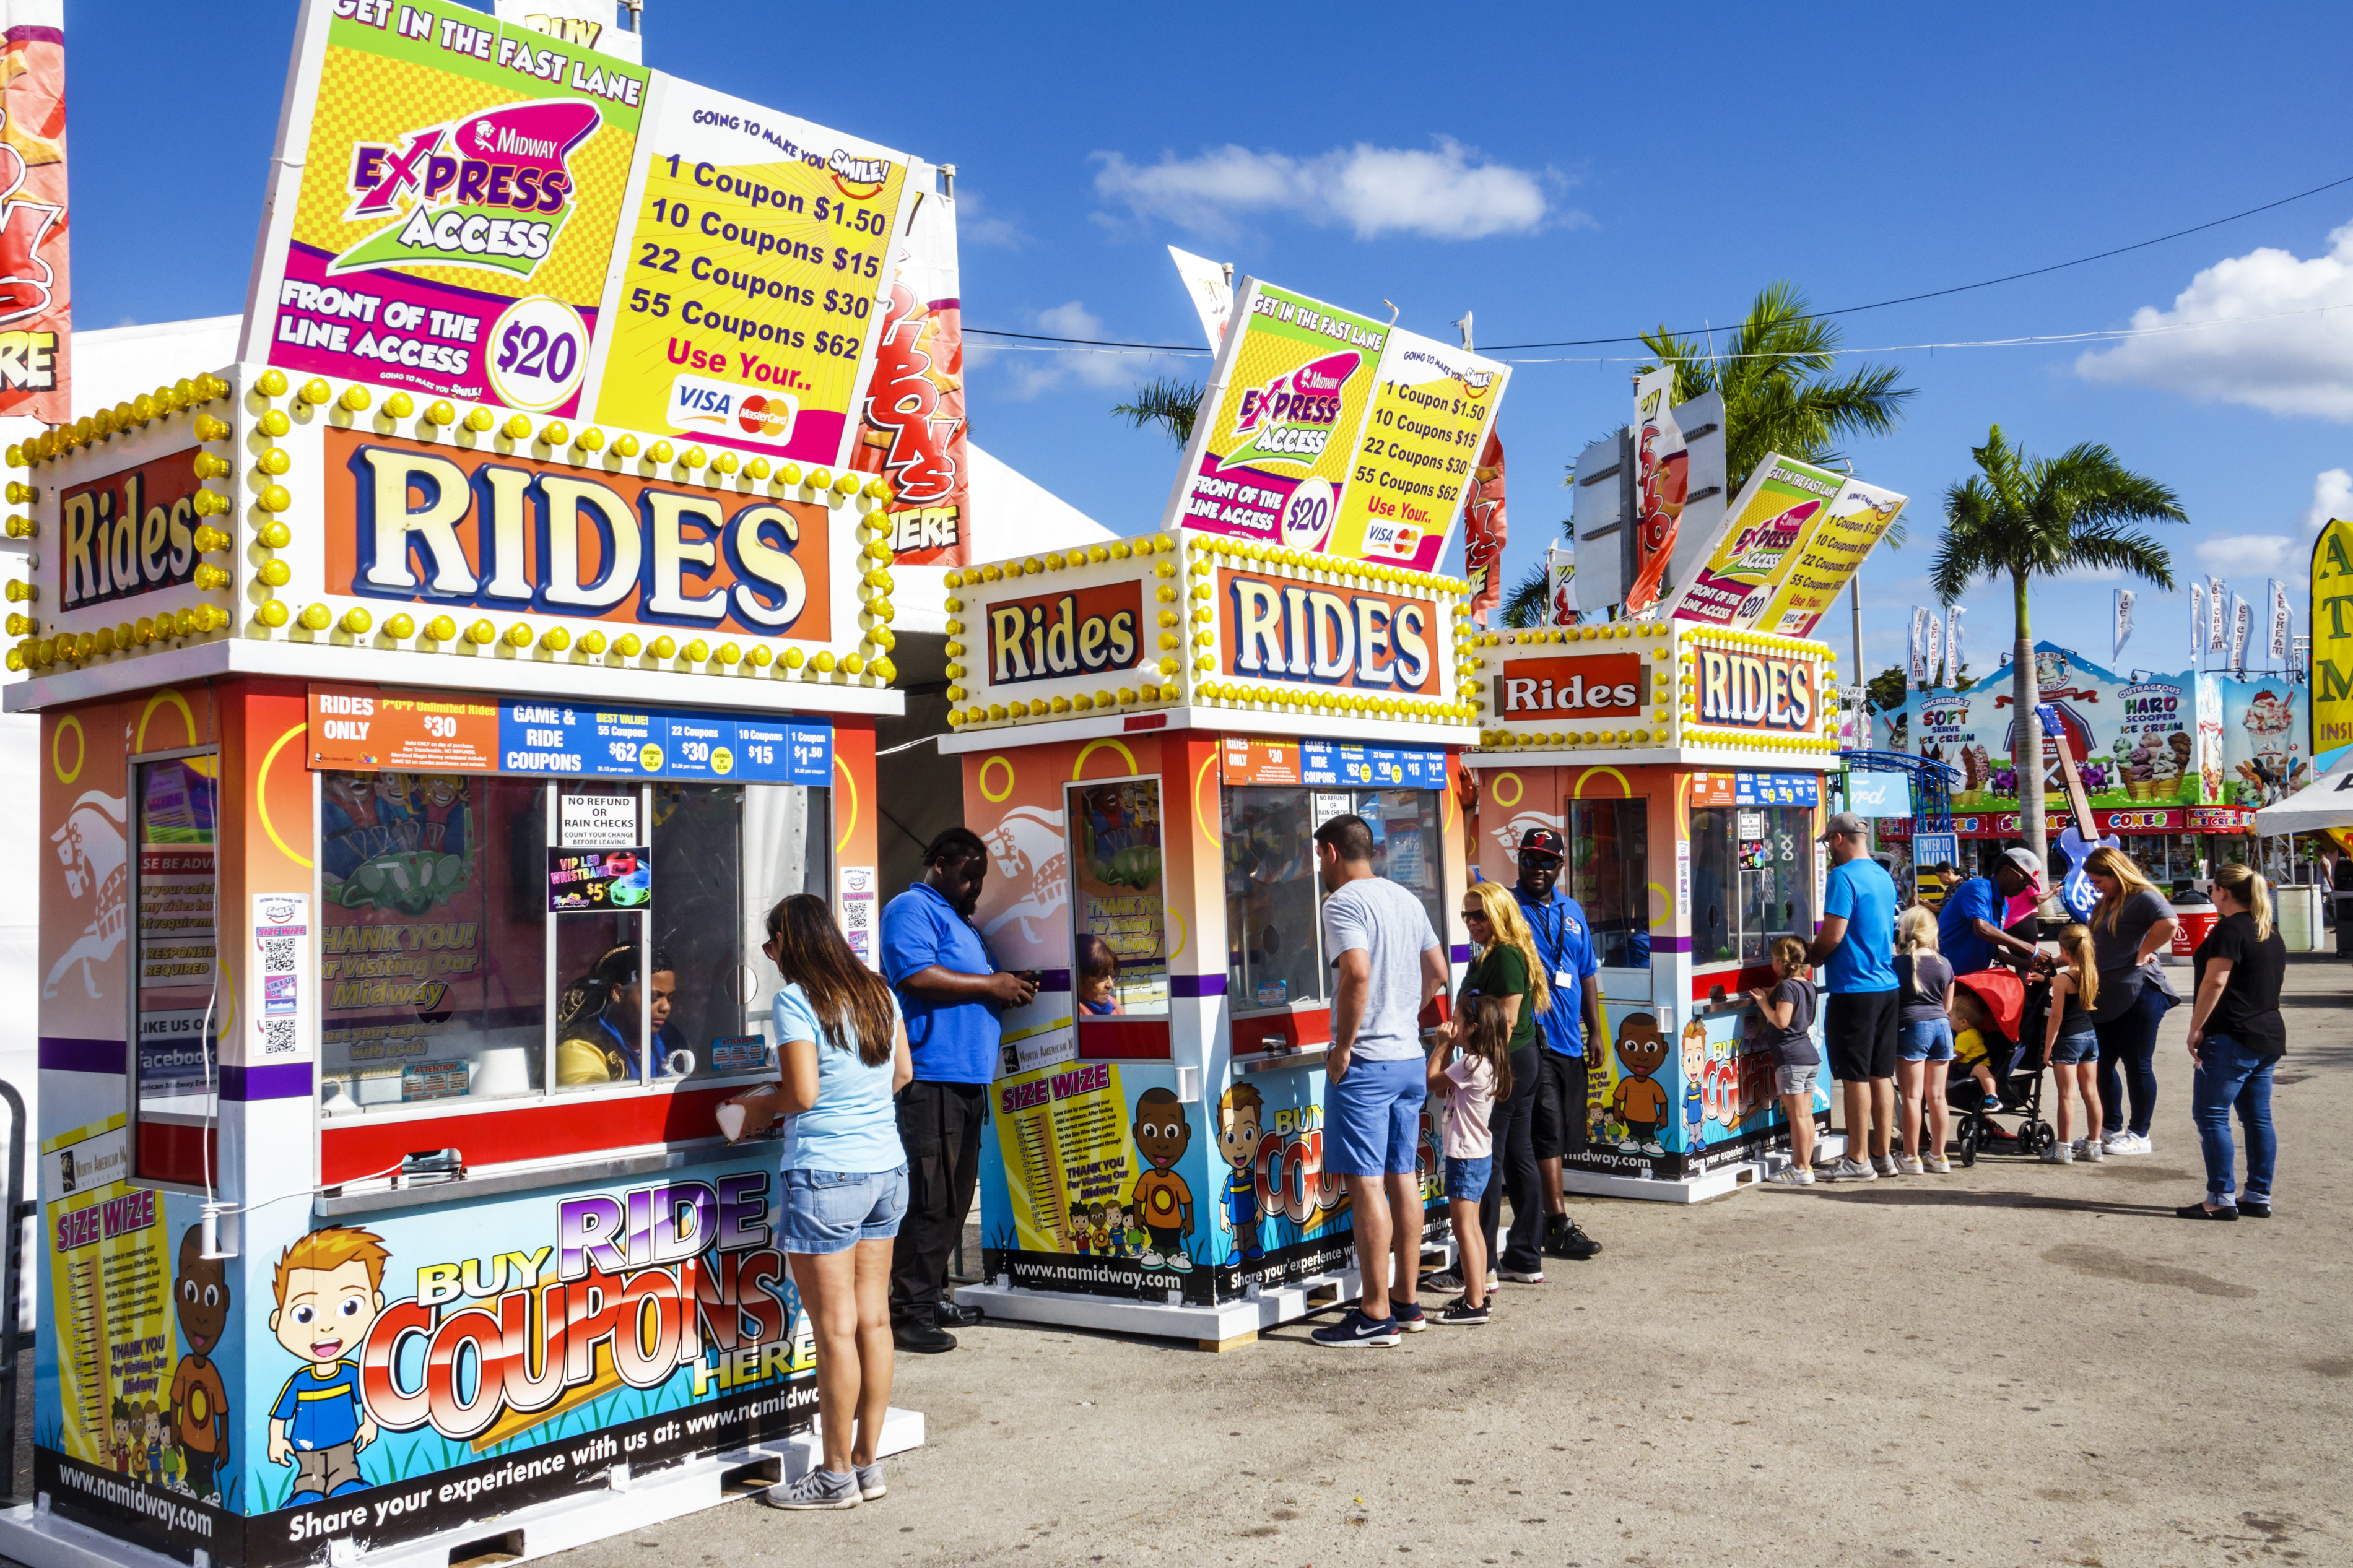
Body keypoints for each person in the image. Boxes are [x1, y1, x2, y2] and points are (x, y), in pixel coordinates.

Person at [728, 893, 912, 1510]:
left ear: (788, 942)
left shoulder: (796, 999)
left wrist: (754, 1109)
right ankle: (866, 1464)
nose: (768, 955)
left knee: (833, 1330)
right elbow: (902, 1074)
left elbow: (801, 1093)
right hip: (885, 1168)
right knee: (873, 1322)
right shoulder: (877, 991)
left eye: (770, 943)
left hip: (827, 1176)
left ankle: (832, 1477)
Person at [879, 828, 1037, 1354]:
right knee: (930, 1196)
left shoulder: (960, 921)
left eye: (981, 878)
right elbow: (917, 975)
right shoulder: (910, 908)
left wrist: (1007, 984)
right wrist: (992, 985)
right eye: (970, 874)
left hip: (968, 1078)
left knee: (955, 1196)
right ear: (940, 863)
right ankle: (906, 1312)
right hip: (931, 1077)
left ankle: (934, 1295)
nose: (976, 886)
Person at [1308, 814, 1450, 1349]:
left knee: (1366, 1181)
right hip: (1408, 1058)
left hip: (1366, 1063)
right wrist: (1404, 1015)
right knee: (1403, 1177)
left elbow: (1358, 972)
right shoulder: (1406, 899)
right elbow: (1437, 970)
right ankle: (1406, 1301)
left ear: (1329, 852)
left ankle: (1372, 1312)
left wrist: (1344, 1046)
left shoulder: (1342, 903)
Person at [1442, 879, 1551, 1292]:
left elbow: (1505, 1020)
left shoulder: (1504, 954)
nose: (1471, 922)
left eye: (1479, 915)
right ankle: (1523, 1256)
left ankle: (1478, 1265)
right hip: (1517, 1062)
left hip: (1507, 1063)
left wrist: (1484, 1070)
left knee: (1485, 1158)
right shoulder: (1495, 952)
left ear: (1499, 913)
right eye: (1466, 915)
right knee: (1518, 1154)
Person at [1509, 828, 1604, 1262]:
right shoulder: (1508, 907)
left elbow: (1586, 973)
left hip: (1569, 1038)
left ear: (1561, 866)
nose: (1538, 869)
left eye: (1548, 862)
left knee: (1561, 1132)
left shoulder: (1572, 910)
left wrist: (1596, 1030)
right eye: (1530, 859)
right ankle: (1557, 1223)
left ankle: (1539, 1221)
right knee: (1545, 1133)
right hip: (1532, 1038)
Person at [2179, 863, 2286, 1221]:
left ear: (2222, 892)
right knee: (2257, 1119)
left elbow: (2215, 982)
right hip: (2266, 1033)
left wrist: (2196, 1027)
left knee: (2211, 1116)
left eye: (2212, 889)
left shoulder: (2228, 929)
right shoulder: (2267, 931)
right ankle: (2257, 1194)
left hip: (2231, 1034)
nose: (2211, 894)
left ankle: (2220, 1197)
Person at [1808, 812, 1901, 1180]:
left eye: (1829, 844)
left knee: (1854, 1077)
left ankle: (1858, 1159)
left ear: (1837, 840)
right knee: (1881, 1074)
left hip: (1854, 989)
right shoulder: (1882, 875)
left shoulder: (1842, 877)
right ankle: (1882, 1154)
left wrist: (1810, 958)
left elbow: (1834, 933)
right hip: (1887, 986)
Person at [2082, 846, 2179, 1156]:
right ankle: (2111, 1128)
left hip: (2140, 992)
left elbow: (2170, 922)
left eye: (2099, 881)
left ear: (2116, 872)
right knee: (2101, 1064)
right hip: (2107, 996)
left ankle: (2140, 1134)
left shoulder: (2143, 896)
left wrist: (2144, 951)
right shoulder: (2107, 903)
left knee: (2137, 1065)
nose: (2096, 887)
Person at [1427, 994, 1511, 1325]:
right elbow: (1439, 1092)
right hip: (1478, 1155)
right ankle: (1478, 1294)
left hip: (1464, 1157)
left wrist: (1440, 1045)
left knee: (1464, 1229)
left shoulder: (1471, 1064)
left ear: (1473, 1028)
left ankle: (1474, 1303)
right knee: (1473, 1229)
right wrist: (1450, 1046)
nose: (1451, 1025)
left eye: (1457, 1022)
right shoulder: (1483, 1063)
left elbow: (1429, 1082)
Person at [555, 944, 685, 1085]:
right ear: (618, 993)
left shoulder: (670, 1038)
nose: (666, 1007)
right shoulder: (580, 1049)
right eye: (653, 998)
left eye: (670, 998)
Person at [1892, 907, 1955, 1175]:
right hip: (1942, 1028)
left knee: (1912, 1097)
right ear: (1934, 933)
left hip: (1911, 1028)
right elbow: (1948, 1006)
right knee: (1938, 1096)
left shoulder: (1899, 964)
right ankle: (1939, 1157)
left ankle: (1910, 1157)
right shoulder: (1946, 964)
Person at [1754, 937, 1821, 1185]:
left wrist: (1763, 1004)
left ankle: (1800, 1169)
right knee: (1806, 1116)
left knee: (1797, 1117)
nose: (1771, 964)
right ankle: (1806, 1166)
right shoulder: (1808, 985)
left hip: (1791, 1059)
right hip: (1808, 1056)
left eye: (1772, 960)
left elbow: (1781, 1021)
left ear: (1782, 962)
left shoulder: (1786, 988)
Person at [2039, 924, 2106, 1164]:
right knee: (2091, 1092)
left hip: (2068, 1039)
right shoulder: (2092, 973)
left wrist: (2048, 1048)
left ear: (2063, 950)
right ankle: (2094, 1146)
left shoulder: (2062, 979)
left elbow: (2056, 1017)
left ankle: (2063, 1149)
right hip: (2090, 1036)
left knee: (2067, 1096)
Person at [1936, 848, 2046, 975]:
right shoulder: (1978, 888)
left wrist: (2029, 966)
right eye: (2023, 881)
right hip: (1944, 974)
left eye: (2029, 885)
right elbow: (1982, 929)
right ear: (2006, 870)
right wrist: (2032, 950)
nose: (2025, 888)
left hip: (1967, 977)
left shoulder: (2003, 905)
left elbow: (1990, 949)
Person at [1076, 933, 1122, 1016]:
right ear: (1078, 978)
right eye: (1102, 976)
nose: (1111, 984)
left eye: (1112, 974)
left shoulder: (1114, 1006)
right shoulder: (1071, 1016)